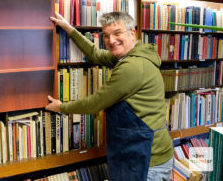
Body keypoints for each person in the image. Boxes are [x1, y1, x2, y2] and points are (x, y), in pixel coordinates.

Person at [45, 11, 174, 181]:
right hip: (143, 153)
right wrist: (69, 29)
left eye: (117, 33)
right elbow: (96, 54)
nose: (111, 40)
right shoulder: (134, 54)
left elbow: (95, 103)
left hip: (148, 160)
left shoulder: (132, 67)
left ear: (132, 33)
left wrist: (61, 107)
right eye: (106, 36)